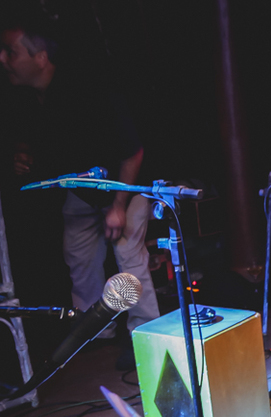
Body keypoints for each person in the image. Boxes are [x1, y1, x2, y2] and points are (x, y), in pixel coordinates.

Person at [1, 17, 159, 369]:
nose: (2, 59)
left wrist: (118, 206)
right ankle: (94, 330)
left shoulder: (90, 90)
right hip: (84, 191)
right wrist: (25, 153)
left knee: (127, 253)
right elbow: (36, 136)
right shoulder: (29, 98)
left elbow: (133, 152)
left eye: (10, 52)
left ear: (40, 57)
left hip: (125, 184)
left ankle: (146, 333)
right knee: (78, 256)